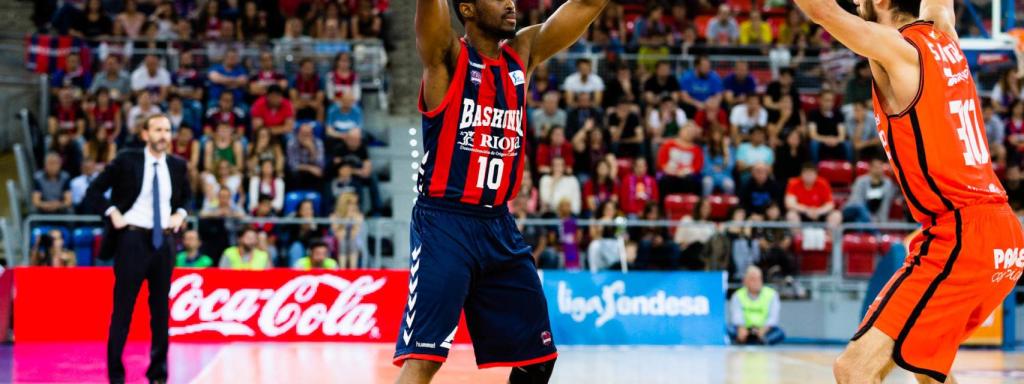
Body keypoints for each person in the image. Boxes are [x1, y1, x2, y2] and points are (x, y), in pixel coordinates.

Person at [798, 0, 1024, 380]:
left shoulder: (900, 50)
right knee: (923, 368)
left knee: (853, 370)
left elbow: (824, 12)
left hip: (961, 233)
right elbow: (941, 6)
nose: (854, 1)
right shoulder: (945, 37)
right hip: (1003, 237)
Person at [399, 0, 609, 380]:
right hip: (445, 222)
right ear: (467, 9)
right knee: (424, 360)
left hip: (498, 223)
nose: (511, 2)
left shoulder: (522, 53)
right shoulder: (447, 57)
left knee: (538, 358)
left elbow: (587, 5)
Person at [82, 114, 190, 384]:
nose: (163, 135)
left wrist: (181, 214)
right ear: (145, 134)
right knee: (123, 311)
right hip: (131, 240)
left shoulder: (177, 166)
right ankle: (116, 377)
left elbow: (187, 198)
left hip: (163, 243)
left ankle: (158, 375)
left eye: (167, 130)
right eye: (157, 129)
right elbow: (93, 192)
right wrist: (111, 212)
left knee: (161, 312)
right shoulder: (127, 159)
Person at [728, 266, 785, 345]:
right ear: (745, 281)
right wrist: (741, 328)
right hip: (745, 329)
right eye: (753, 279)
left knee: (779, 333)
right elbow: (736, 316)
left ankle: (762, 341)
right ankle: (742, 340)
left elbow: (773, 318)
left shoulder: (771, 294)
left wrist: (764, 329)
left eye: (759, 278)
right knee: (728, 329)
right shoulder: (737, 295)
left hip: (764, 329)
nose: (757, 282)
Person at [844, 156, 898, 224]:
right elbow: (857, 201)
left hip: (869, 218)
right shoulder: (861, 181)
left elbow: (886, 204)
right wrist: (870, 218)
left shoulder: (887, 183)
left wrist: (881, 222)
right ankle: (875, 232)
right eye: (876, 167)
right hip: (853, 211)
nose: (879, 170)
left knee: (860, 222)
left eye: (880, 167)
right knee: (860, 209)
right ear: (870, 168)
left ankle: (872, 229)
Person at [330, 192, 364, 269]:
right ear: (343, 204)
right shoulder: (334, 216)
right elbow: (339, 235)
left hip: (356, 244)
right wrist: (346, 220)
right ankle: (342, 269)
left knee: (352, 241)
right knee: (342, 242)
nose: (354, 206)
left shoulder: (359, 216)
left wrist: (353, 220)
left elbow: (354, 234)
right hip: (337, 244)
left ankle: (353, 269)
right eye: (350, 204)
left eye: (355, 204)